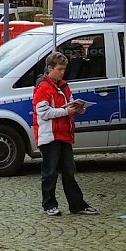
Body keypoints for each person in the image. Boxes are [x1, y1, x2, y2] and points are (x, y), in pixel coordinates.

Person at [33, 51, 98, 216]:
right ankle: (49, 204)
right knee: (50, 172)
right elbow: (44, 113)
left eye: (64, 69)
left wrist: (79, 109)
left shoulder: (63, 86)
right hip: (50, 135)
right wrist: (66, 111)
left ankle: (76, 204)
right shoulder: (42, 88)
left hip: (64, 134)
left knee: (69, 170)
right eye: (60, 69)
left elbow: (68, 105)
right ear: (50, 68)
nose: (62, 72)